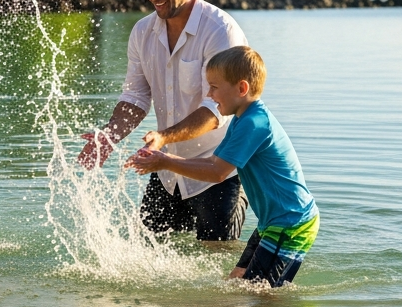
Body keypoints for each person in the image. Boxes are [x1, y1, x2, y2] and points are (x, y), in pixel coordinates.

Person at [77, 0, 249, 246]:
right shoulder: (142, 32)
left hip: (219, 171)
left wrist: (164, 137)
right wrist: (110, 134)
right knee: (143, 256)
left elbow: (218, 110)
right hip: (166, 169)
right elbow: (135, 97)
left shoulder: (222, 31)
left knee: (218, 273)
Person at [126, 46, 319, 287]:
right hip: (272, 222)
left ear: (241, 88)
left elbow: (217, 174)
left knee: (261, 294)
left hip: (290, 223)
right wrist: (163, 160)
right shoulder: (241, 119)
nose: (210, 94)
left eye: (215, 87)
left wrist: (164, 161)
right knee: (237, 279)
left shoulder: (255, 123)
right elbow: (212, 162)